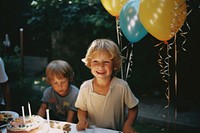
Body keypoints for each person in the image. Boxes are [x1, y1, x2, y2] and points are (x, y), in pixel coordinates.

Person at [75, 39, 139, 133]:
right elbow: (81, 109)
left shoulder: (122, 87)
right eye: (95, 61)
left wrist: (128, 124)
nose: (100, 66)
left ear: (114, 65)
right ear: (89, 63)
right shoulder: (85, 88)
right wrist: (82, 120)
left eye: (106, 62)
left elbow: (133, 107)